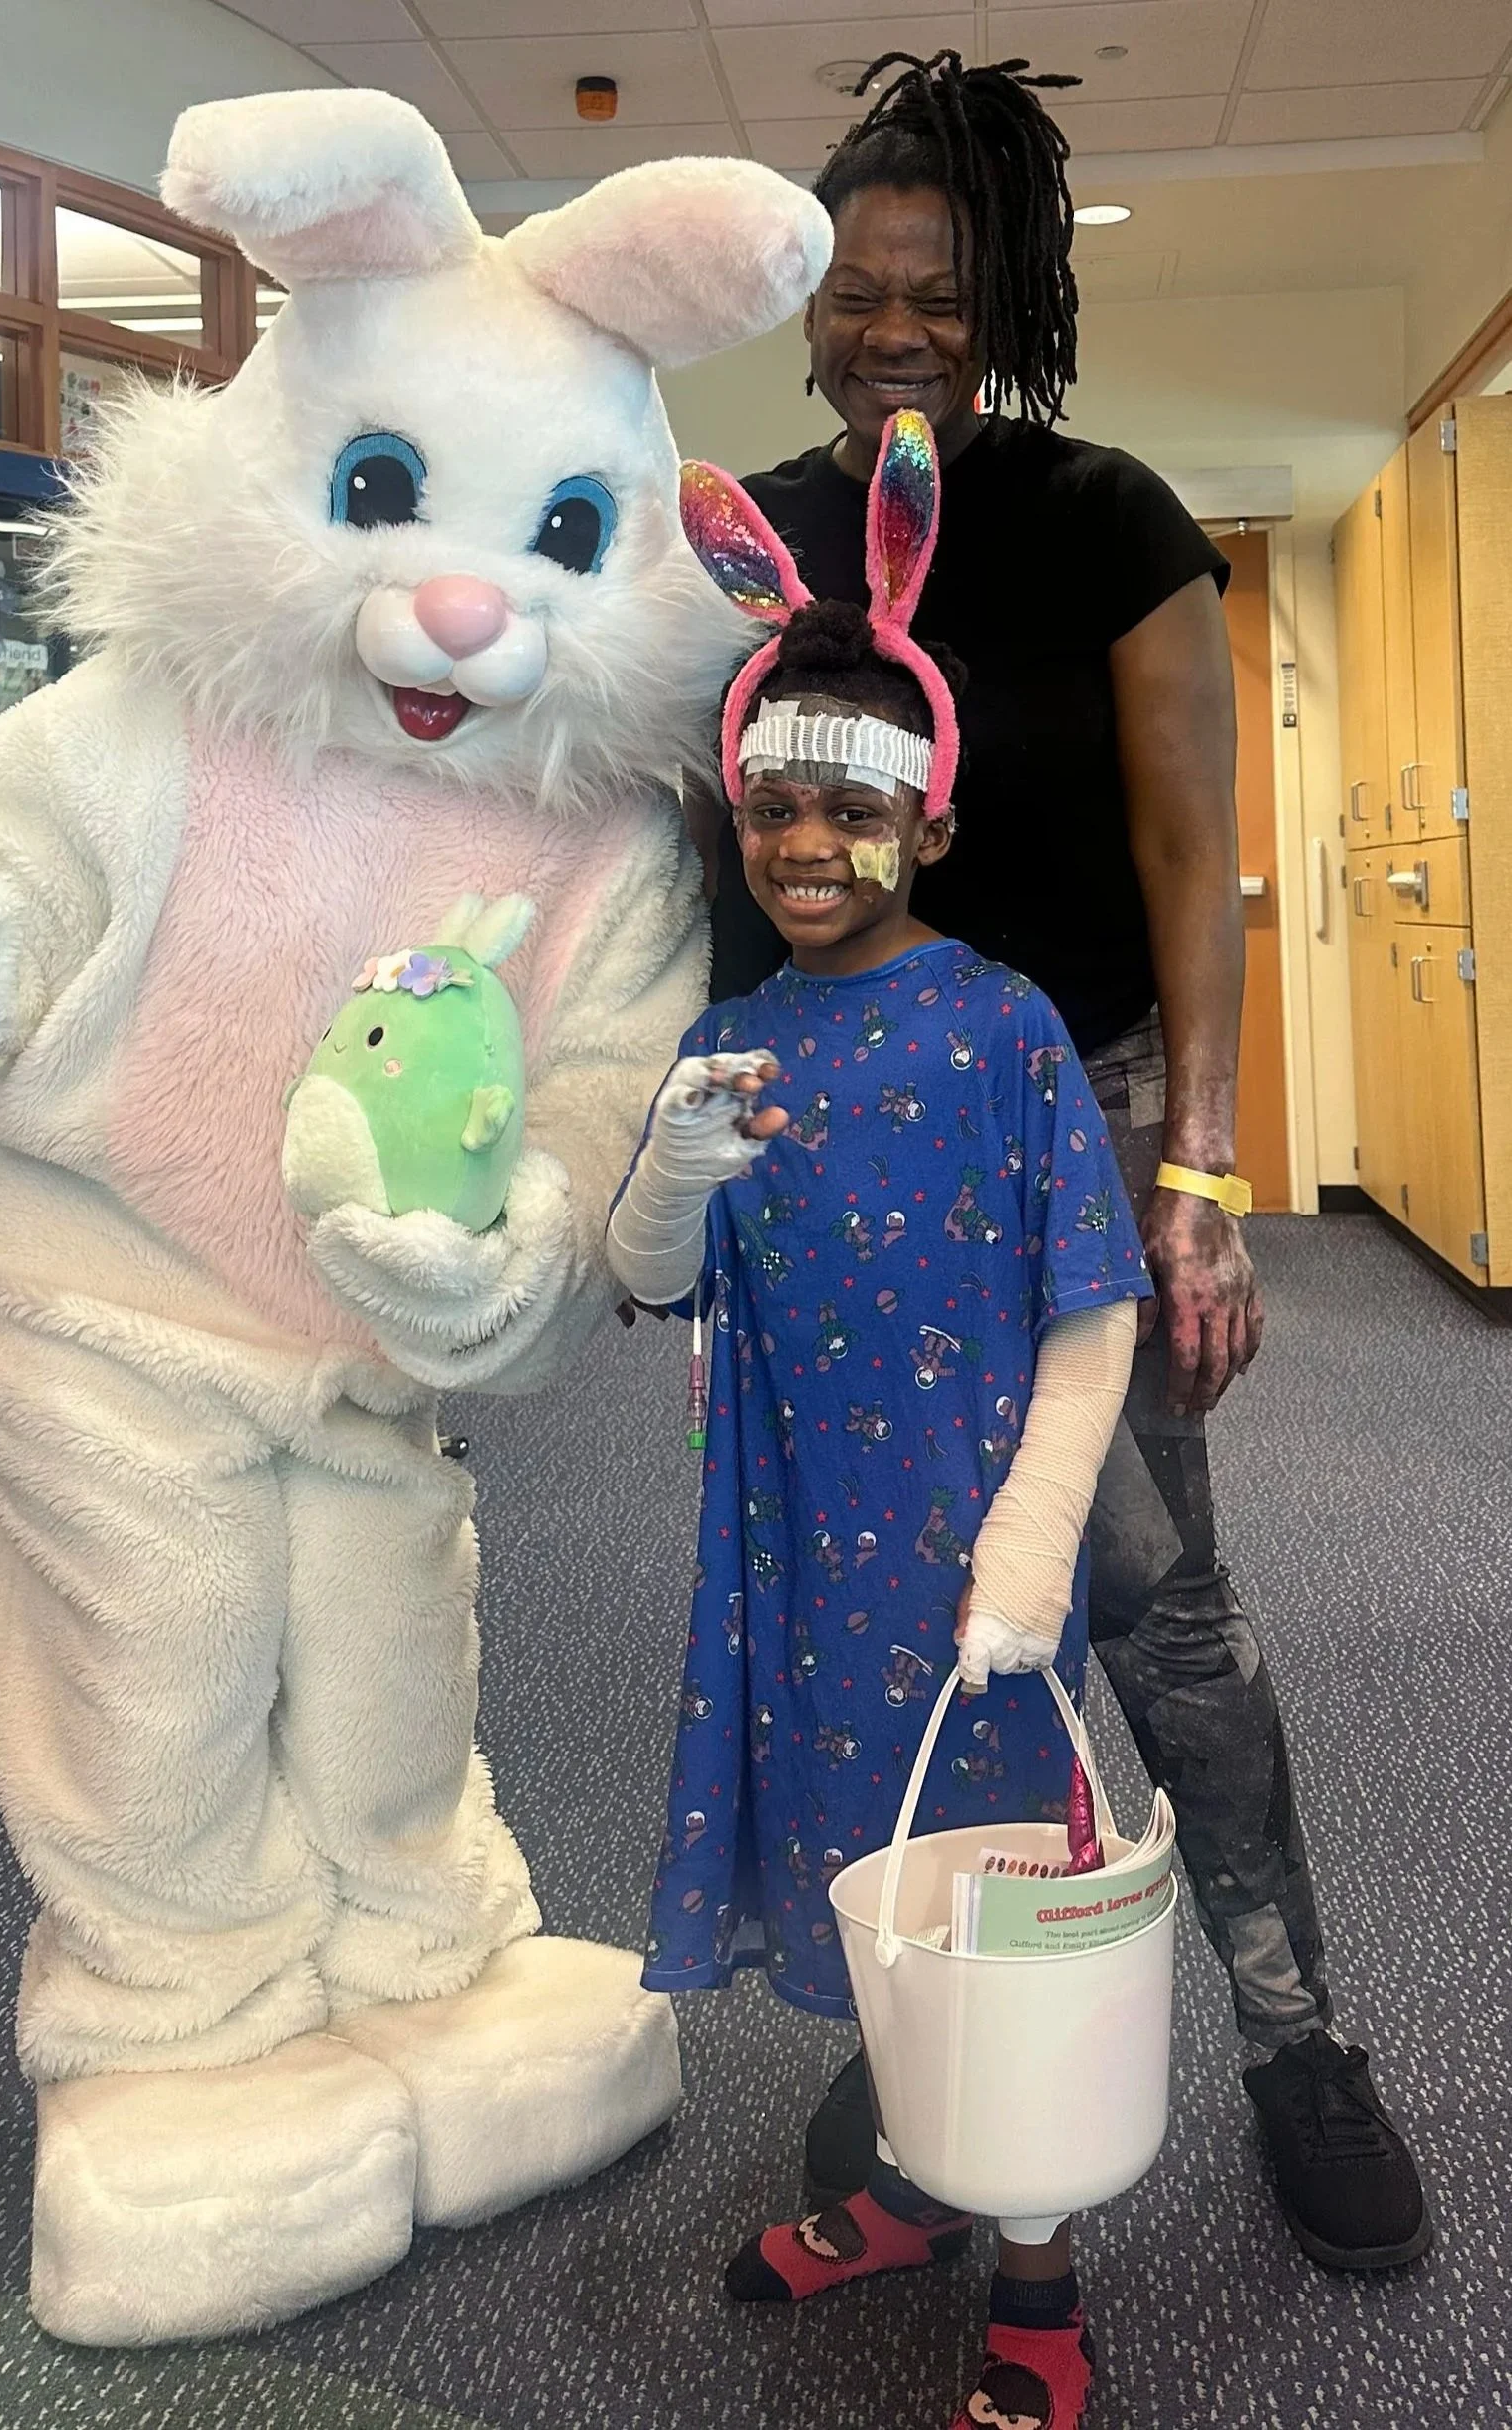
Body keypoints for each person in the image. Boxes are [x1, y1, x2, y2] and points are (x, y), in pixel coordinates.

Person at [696, 46, 1427, 2274]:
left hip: (1075, 1115)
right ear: (807, 310)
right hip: (826, 1143)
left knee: (1149, 1602)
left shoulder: (1101, 514)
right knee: (877, 1600)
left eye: (938, 290)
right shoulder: (743, 538)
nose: (892, 327)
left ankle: (1295, 2037)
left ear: (1003, 304)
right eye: (854, 290)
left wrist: (1196, 1176)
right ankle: (930, 2010)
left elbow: (1190, 852)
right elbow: (697, 843)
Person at [611, 420, 1148, 2430]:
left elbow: (1090, 1311)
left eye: (851, 810)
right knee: (873, 1885)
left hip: (968, 1564)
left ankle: (1039, 2284)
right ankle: (919, 2190)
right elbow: (648, 1280)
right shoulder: (725, 1041)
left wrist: (1029, 1550)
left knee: (996, 1911)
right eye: (772, 811)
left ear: (926, 820)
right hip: (792, 1557)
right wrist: (670, 1169)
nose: (806, 847)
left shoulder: (1001, 1024)